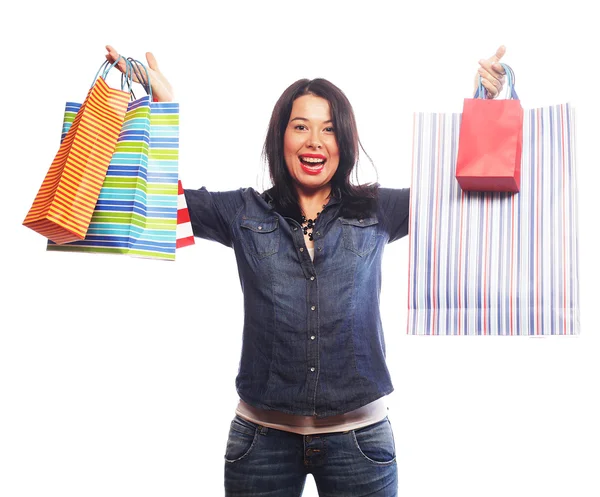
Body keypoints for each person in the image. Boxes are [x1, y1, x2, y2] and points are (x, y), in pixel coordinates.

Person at [105, 44, 507, 497]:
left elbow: (461, 195)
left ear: (345, 142)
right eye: (301, 127)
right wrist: (162, 104)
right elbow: (154, 201)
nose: (315, 141)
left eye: (329, 130)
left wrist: (485, 107)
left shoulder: (378, 209)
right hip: (261, 442)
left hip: (361, 441)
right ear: (282, 138)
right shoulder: (242, 210)